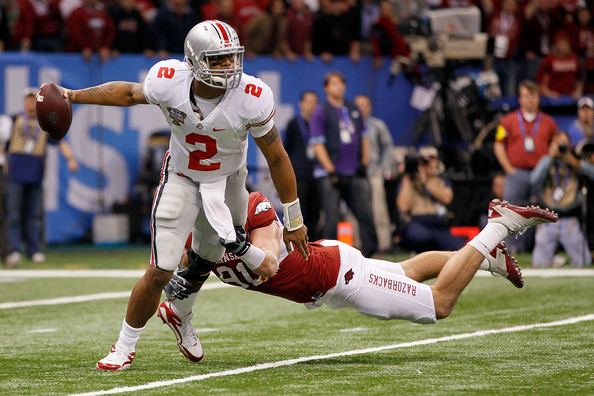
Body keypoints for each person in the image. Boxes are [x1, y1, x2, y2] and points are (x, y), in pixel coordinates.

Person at [52, 20, 309, 370]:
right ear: (194, 60)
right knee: (161, 268)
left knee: (205, 259)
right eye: (218, 60)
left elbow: (276, 155)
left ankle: (180, 315)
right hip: (182, 176)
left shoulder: (252, 96)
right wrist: (73, 95)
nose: (228, 67)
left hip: (229, 181)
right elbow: (128, 94)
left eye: (231, 58)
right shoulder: (168, 80)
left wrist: (294, 218)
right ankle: (124, 346)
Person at [153, 191, 557, 365]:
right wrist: (180, 302)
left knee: (439, 304)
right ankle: (489, 261)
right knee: (407, 271)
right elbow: (191, 271)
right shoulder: (196, 237)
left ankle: (497, 228)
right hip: (328, 273)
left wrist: (238, 246)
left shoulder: (252, 208)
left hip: (340, 277)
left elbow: (269, 263)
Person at [5, 88, 79, 267]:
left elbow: (60, 141)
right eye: (28, 100)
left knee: (33, 215)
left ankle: (33, 249)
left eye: (33, 100)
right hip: (15, 173)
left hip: (35, 173)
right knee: (13, 214)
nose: (30, 103)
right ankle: (14, 250)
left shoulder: (44, 123)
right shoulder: (14, 120)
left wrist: (70, 158)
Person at [310, 71, 378, 257]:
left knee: (365, 212)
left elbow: (364, 137)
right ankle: (330, 255)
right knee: (332, 216)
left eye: (341, 83)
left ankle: (371, 252)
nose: (338, 87)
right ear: (326, 88)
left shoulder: (353, 108)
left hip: (354, 171)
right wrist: (331, 170)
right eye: (334, 83)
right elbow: (317, 143)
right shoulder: (321, 111)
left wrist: (364, 162)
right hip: (330, 174)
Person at [494, 79, 557, 252]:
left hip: (541, 173)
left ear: (538, 98)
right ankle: (511, 249)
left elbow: (556, 142)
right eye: (526, 96)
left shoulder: (548, 122)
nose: (529, 100)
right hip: (517, 172)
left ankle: (541, 250)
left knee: (542, 211)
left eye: (533, 96)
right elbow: (498, 144)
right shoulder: (507, 121)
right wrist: (508, 168)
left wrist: (549, 161)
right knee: (512, 212)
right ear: (520, 99)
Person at [530, 132, 593, 267]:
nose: (560, 147)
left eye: (563, 143)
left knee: (583, 262)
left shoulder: (574, 160)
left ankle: (560, 261)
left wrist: (574, 161)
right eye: (557, 143)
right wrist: (549, 158)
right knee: (539, 264)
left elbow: (592, 173)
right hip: (547, 219)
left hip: (570, 219)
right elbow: (534, 180)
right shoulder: (546, 161)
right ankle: (556, 260)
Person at [397, 146, 464, 253]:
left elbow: (447, 198)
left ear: (437, 161)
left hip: (439, 224)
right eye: (423, 159)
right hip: (418, 222)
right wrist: (407, 176)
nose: (426, 163)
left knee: (458, 246)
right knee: (420, 236)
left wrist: (426, 182)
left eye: (431, 159)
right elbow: (403, 207)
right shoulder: (410, 181)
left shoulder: (441, 180)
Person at [354, 94, 393, 252]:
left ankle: (384, 244)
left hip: (374, 172)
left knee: (378, 210)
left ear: (370, 107)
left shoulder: (377, 125)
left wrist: (385, 167)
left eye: (365, 105)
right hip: (355, 174)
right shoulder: (349, 125)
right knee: (355, 211)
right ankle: (357, 244)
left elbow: (388, 145)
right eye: (358, 105)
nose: (361, 108)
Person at [283, 90, 320, 240]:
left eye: (314, 102)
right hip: (299, 174)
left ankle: (314, 241)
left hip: (317, 174)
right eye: (308, 101)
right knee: (301, 209)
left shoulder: (320, 124)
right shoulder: (294, 123)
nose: (311, 105)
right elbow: (286, 149)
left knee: (316, 210)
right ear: (301, 103)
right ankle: (302, 241)